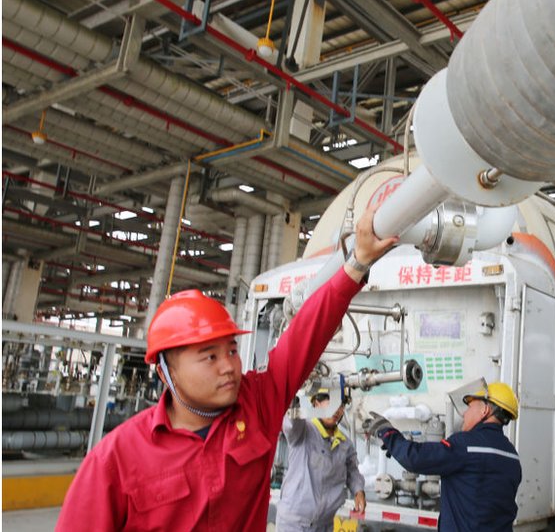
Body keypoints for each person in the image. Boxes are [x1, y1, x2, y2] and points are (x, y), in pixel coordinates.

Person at [56, 204, 396, 531]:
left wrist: (357, 263)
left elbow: (305, 333)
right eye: (210, 356)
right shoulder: (115, 459)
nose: (229, 367)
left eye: (232, 351)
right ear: (165, 373)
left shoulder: (258, 405)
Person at [367, 381, 522, 531]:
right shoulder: (512, 456)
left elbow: (416, 459)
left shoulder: (465, 445)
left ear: (485, 410)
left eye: (470, 407)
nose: (465, 413)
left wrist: (387, 433)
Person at [276, 387, 366, 532]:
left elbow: (353, 472)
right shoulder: (303, 431)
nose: (337, 410)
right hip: (293, 525)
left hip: (324, 525)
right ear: (316, 404)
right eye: (331, 403)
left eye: (341, 405)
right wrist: (292, 396)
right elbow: (291, 423)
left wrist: (358, 491)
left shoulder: (345, 444)